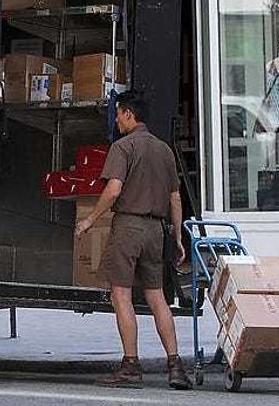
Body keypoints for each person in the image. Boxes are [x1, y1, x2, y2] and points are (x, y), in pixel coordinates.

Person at [75, 91, 190, 390]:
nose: (116, 120)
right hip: (156, 231)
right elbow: (175, 198)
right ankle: (175, 366)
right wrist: (177, 237)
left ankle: (130, 365)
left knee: (121, 296)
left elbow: (113, 190)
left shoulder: (123, 147)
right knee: (157, 298)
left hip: (128, 227)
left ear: (128, 114)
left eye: (118, 114)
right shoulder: (164, 150)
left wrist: (89, 220)